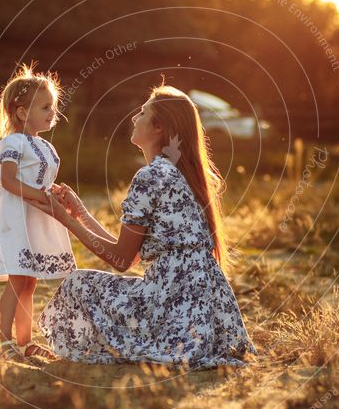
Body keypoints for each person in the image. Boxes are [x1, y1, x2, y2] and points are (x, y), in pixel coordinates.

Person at [31, 83, 259, 368]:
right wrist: (79, 213)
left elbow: (122, 260)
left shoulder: (150, 176)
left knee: (78, 283)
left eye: (142, 113)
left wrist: (62, 219)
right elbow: (131, 252)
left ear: (158, 128)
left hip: (170, 300)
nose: (133, 118)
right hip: (205, 305)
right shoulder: (183, 173)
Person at [0, 64, 76, 361]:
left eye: (53, 105)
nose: (53, 111)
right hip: (16, 215)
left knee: (30, 280)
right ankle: (3, 342)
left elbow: (42, 180)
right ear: (22, 112)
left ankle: (25, 342)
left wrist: (55, 193)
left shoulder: (43, 145)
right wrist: (42, 195)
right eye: (45, 106)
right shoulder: (12, 143)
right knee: (18, 277)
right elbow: (10, 180)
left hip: (36, 215)